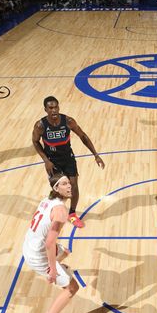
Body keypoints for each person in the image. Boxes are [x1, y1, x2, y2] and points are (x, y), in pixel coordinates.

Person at [32, 96, 105, 228]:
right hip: (52, 161)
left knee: (73, 186)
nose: (54, 110)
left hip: (67, 157)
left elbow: (83, 136)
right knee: (57, 189)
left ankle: (72, 213)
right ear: (45, 110)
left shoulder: (68, 121)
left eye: (56, 107)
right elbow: (35, 142)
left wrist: (96, 155)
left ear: (59, 107)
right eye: (50, 108)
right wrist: (45, 160)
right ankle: (53, 210)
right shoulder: (40, 125)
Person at [23, 173, 80, 313]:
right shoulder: (61, 211)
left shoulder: (46, 200)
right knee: (72, 288)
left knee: (64, 252)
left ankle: (58, 266)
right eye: (64, 184)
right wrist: (53, 270)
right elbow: (49, 243)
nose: (69, 186)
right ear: (57, 188)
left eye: (68, 183)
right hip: (37, 254)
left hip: (29, 244)